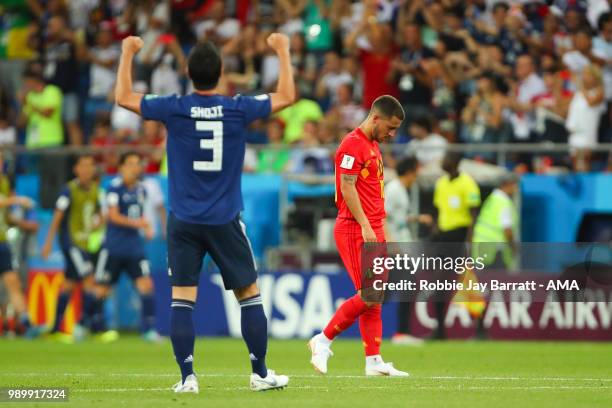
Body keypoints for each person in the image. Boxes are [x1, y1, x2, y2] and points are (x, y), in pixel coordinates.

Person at [114, 33, 295, 392]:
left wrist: (127, 53)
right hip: (225, 218)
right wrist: (283, 51)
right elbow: (287, 96)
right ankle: (260, 374)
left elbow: (123, 97)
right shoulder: (237, 107)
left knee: (183, 298)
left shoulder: (174, 106)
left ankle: (188, 378)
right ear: (222, 72)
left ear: (187, 71)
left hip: (184, 220)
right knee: (249, 294)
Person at [308, 95, 409, 377]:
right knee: (369, 293)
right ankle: (323, 340)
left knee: (375, 296)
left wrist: (381, 229)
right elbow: (347, 186)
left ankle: (373, 361)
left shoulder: (373, 146)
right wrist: (365, 225)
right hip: (354, 227)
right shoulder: (352, 144)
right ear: (375, 118)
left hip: (373, 226)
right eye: (390, 127)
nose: (392, 134)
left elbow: (372, 194)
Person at [91, 152, 157, 343]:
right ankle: (87, 323)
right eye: (130, 164)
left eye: (137, 163)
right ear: (121, 167)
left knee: (146, 286)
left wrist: (148, 228)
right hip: (113, 247)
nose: (134, 167)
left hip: (135, 247)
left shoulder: (141, 190)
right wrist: (139, 224)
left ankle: (149, 330)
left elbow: (141, 215)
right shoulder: (114, 188)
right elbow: (113, 216)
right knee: (101, 290)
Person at [41, 154, 103, 342]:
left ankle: (55, 329)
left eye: (90, 166)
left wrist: (97, 223)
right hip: (71, 243)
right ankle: (85, 325)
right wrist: (48, 242)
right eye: (83, 165)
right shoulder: (68, 190)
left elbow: (99, 214)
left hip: (85, 244)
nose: (86, 170)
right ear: (76, 169)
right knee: (90, 280)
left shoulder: (95, 190)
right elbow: (58, 216)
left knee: (68, 284)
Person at [431, 152, 481, 339]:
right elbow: (438, 211)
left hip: (460, 236)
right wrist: (435, 232)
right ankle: (440, 329)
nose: (443, 161)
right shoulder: (441, 183)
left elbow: (473, 214)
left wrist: (469, 240)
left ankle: (481, 328)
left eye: (446, 158)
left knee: (468, 282)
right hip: (444, 237)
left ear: (456, 161)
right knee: (440, 282)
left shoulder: (467, 183)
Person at [384, 156, 432, 346]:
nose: (418, 173)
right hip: (395, 248)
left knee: (392, 290)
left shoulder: (400, 189)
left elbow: (398, 218)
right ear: (411, 170)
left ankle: (402, 332)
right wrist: (391, 244)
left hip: (401, 246)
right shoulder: (394, 189)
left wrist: (418, 218)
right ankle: (401, 333)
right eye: (417, 169)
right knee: (404, 287)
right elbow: (383, 216)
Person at [0, 152, 41, 337]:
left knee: (13, 282)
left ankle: (26, 323)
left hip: (1, 240)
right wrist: (17, 200)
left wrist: (20, 222)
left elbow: (6, 215)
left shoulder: (5, 182)